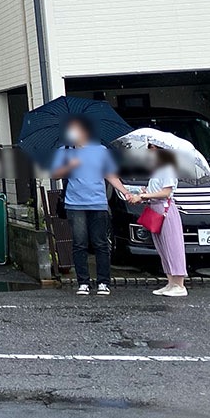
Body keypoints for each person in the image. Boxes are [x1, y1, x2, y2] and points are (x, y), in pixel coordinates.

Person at [50, 116, 128, 295]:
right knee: (79, 243)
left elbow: (110, 175)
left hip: (98, 203)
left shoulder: (100, 150)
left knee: (100, 243)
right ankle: (83, 282)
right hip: (74, 203)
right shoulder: (64, 151)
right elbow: (54, 175)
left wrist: (125, 192)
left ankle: (103, 282)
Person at [127, 147, 187, 297]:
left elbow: (166, 192)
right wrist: (143, 192)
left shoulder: (168, 168)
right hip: (155, 208)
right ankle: (170, 282)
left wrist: (143, 196)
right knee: (162, 246)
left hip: (165, 209)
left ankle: (179, 284)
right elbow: (154, 189)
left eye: (152, 149)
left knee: (173, 245)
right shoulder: (158, 169)